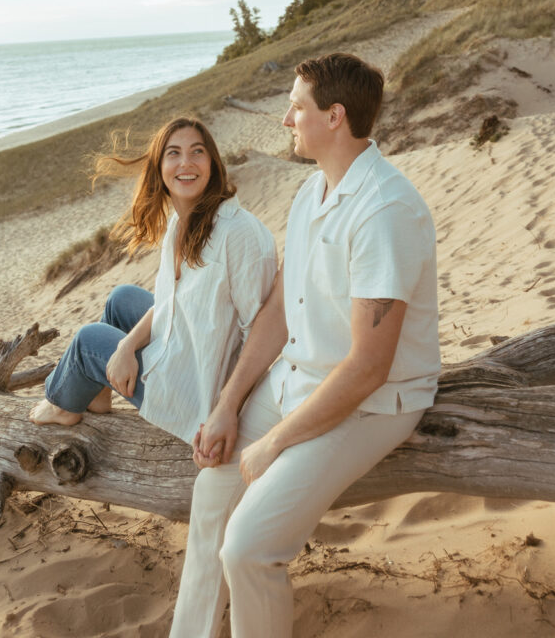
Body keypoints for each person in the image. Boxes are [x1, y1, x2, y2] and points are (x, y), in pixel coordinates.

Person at [170, 53, 441, 638]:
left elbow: (369, 367)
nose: (286, 119)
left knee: (248, 548)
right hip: (298, 378)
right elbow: (278, 313)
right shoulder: (310, 191)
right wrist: (230, 404)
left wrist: (274, 443)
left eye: (296, 107)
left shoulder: (384, 210)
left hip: (371, 401)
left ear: (334, 117)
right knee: (212, 489)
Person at [29, 116, 277, 448]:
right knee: (122, 299)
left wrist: (227, 410)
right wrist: (126, 347)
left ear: (213, 164)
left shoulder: (239, 233)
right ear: (159, 168)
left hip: (200, 390)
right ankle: (101, 389)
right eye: (173, 153)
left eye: (197, 152)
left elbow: (261, 332)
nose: (186, 163)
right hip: (188, 350)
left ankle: (62, 405)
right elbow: (168, 301)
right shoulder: (181, 224)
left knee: (88, 340)